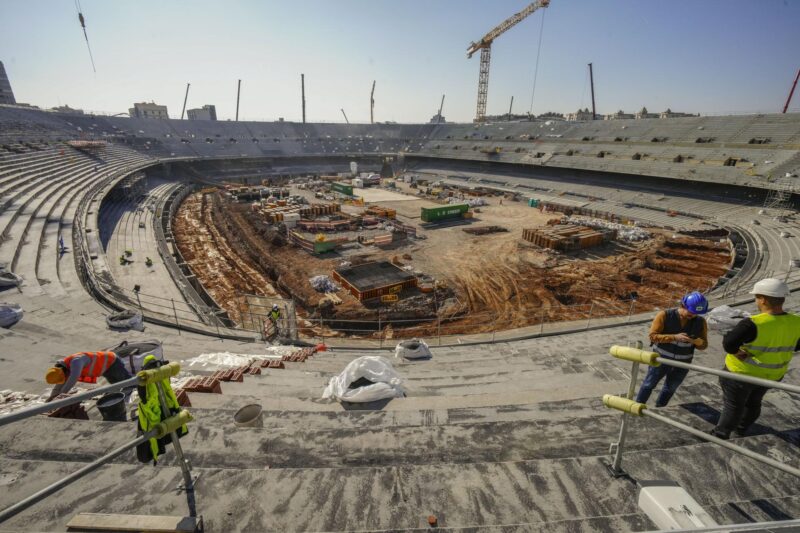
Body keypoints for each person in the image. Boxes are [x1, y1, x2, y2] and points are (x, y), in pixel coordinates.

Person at [710, 278, 800, 439]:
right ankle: (741, 430)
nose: (756, 300)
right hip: (772, 375)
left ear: (764, 299)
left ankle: (720, 434)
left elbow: (729, 344)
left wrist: (738, 352)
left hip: (741, 373)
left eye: (757, 297)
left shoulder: (753, 323)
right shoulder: (796, 321)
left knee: (734, 405)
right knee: (753, 403)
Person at [634, 291, 709, 407]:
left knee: (670, 389)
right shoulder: (665, 315)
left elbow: (704, 345)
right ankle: (638, 405)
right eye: (691, 312)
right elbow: (653, 336)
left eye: (696, 313)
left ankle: (660, 408)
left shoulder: (700, 322)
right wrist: (674, 337)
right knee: (648, 384)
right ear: (683, 305)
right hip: (660, 360)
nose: (693, 315)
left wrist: (694, 341)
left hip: (683, 364)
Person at [45, 351, 132, 402]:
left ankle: (129, 399)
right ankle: (118, 399)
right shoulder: (64, 368)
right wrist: (52, 397)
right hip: (104, 368)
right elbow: (60, 384)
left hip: (112, 362)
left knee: (126, 382)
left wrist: (61, 395)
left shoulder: (76, 362)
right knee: (115, 384)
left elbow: (72, 379)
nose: (65, 378)